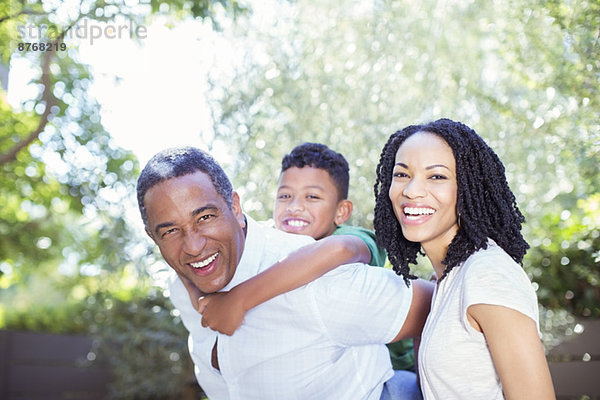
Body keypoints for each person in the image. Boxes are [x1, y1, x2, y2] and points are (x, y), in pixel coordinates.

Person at [136, 146, 433, 400]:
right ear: (153, 237)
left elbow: (439, 302)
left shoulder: (314, 280)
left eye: (205, 217)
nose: (193, 246)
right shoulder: (181, 285)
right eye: (171, 231)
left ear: (235, 208)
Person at [373, 118, 555, 399]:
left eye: (437, 176)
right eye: (402, 174)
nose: (411, 191)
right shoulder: (448, 280)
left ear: (469, 187)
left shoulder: (487, 274)